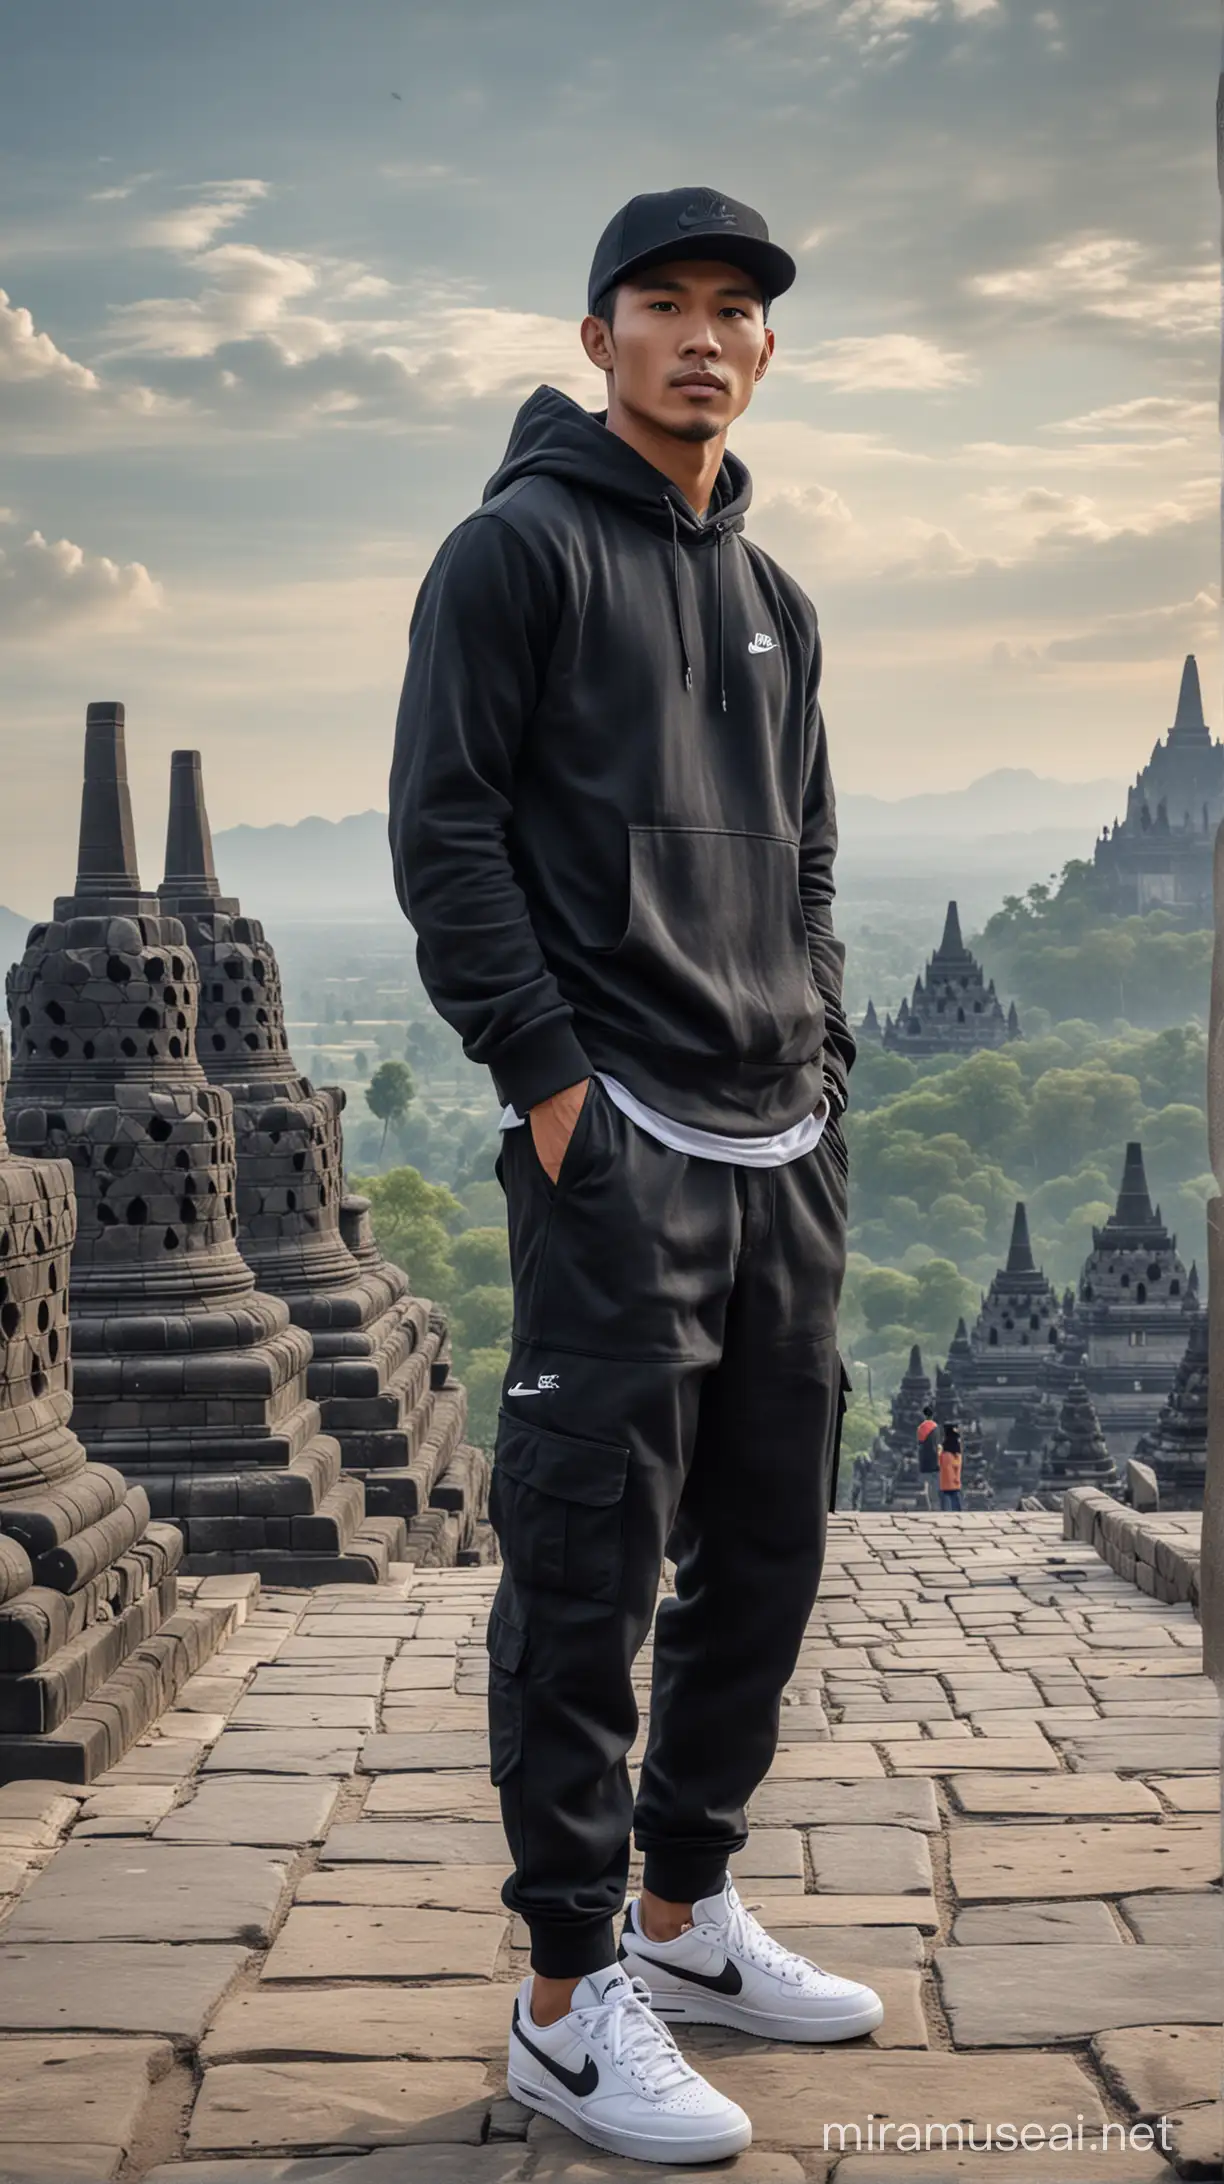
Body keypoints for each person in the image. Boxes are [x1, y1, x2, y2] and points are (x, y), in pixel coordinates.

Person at [389, 184, 880, 2167]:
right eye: (662, 303)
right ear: (596, 336)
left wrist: (824, 1051)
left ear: (766, 350)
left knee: (765, 1553)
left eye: (735, 309)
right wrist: (551, 1082)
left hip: (782, 1139)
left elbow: (815, 856)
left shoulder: (780, 594)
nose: (702, 335)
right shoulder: (513, 557)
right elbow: (445, 837)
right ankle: (566, 1996)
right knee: (588, 1565)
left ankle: (685, 1922)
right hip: (621, 1148)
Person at [939, 1422, 963, 1511]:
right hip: (953, 1480)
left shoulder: (944, 1450)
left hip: (947, 1480)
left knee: (948, 1499)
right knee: (954, 1499)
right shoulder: (954, 1448)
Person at [916, 1401, 939, 1479]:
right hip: (934, 1457)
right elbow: (936, 1442)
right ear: (932, 1415)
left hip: (924, 1458)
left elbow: (920, 1442)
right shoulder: (935, 1427)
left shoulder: (920, 1427)